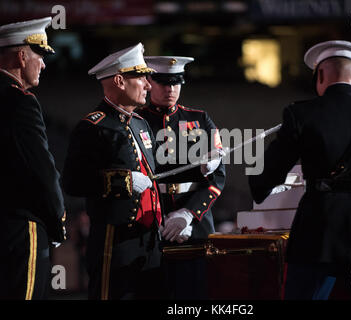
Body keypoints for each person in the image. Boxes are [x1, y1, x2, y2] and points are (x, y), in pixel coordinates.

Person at [249, 40, 351, 300]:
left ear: (319, 75)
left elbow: (271, 171)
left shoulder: (300, 114)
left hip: (318, 230)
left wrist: (256, 182)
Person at [62, 43, 163, 300]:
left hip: (149, 238)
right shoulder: (93, 126)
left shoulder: (141, 123)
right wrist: (123, 182)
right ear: (119, 80)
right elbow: (72, 182)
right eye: (141, 77)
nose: (149, 85)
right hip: (113, 240)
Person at [138, 56, 226, 298]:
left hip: (194, 229)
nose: (170, 89)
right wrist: (160, 218)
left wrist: (190, 214)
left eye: (176, 83)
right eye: (163, 83)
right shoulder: (137, 121)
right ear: (149, 81)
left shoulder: (199, 119)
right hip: (151, 225)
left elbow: (218, 178)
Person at [0, 17, 66, 300]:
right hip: (19, 229)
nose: (43, 63)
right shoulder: (20, 101)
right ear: (21, 55)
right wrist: (57, 219)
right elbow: (42, 170)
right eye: (40, 55)